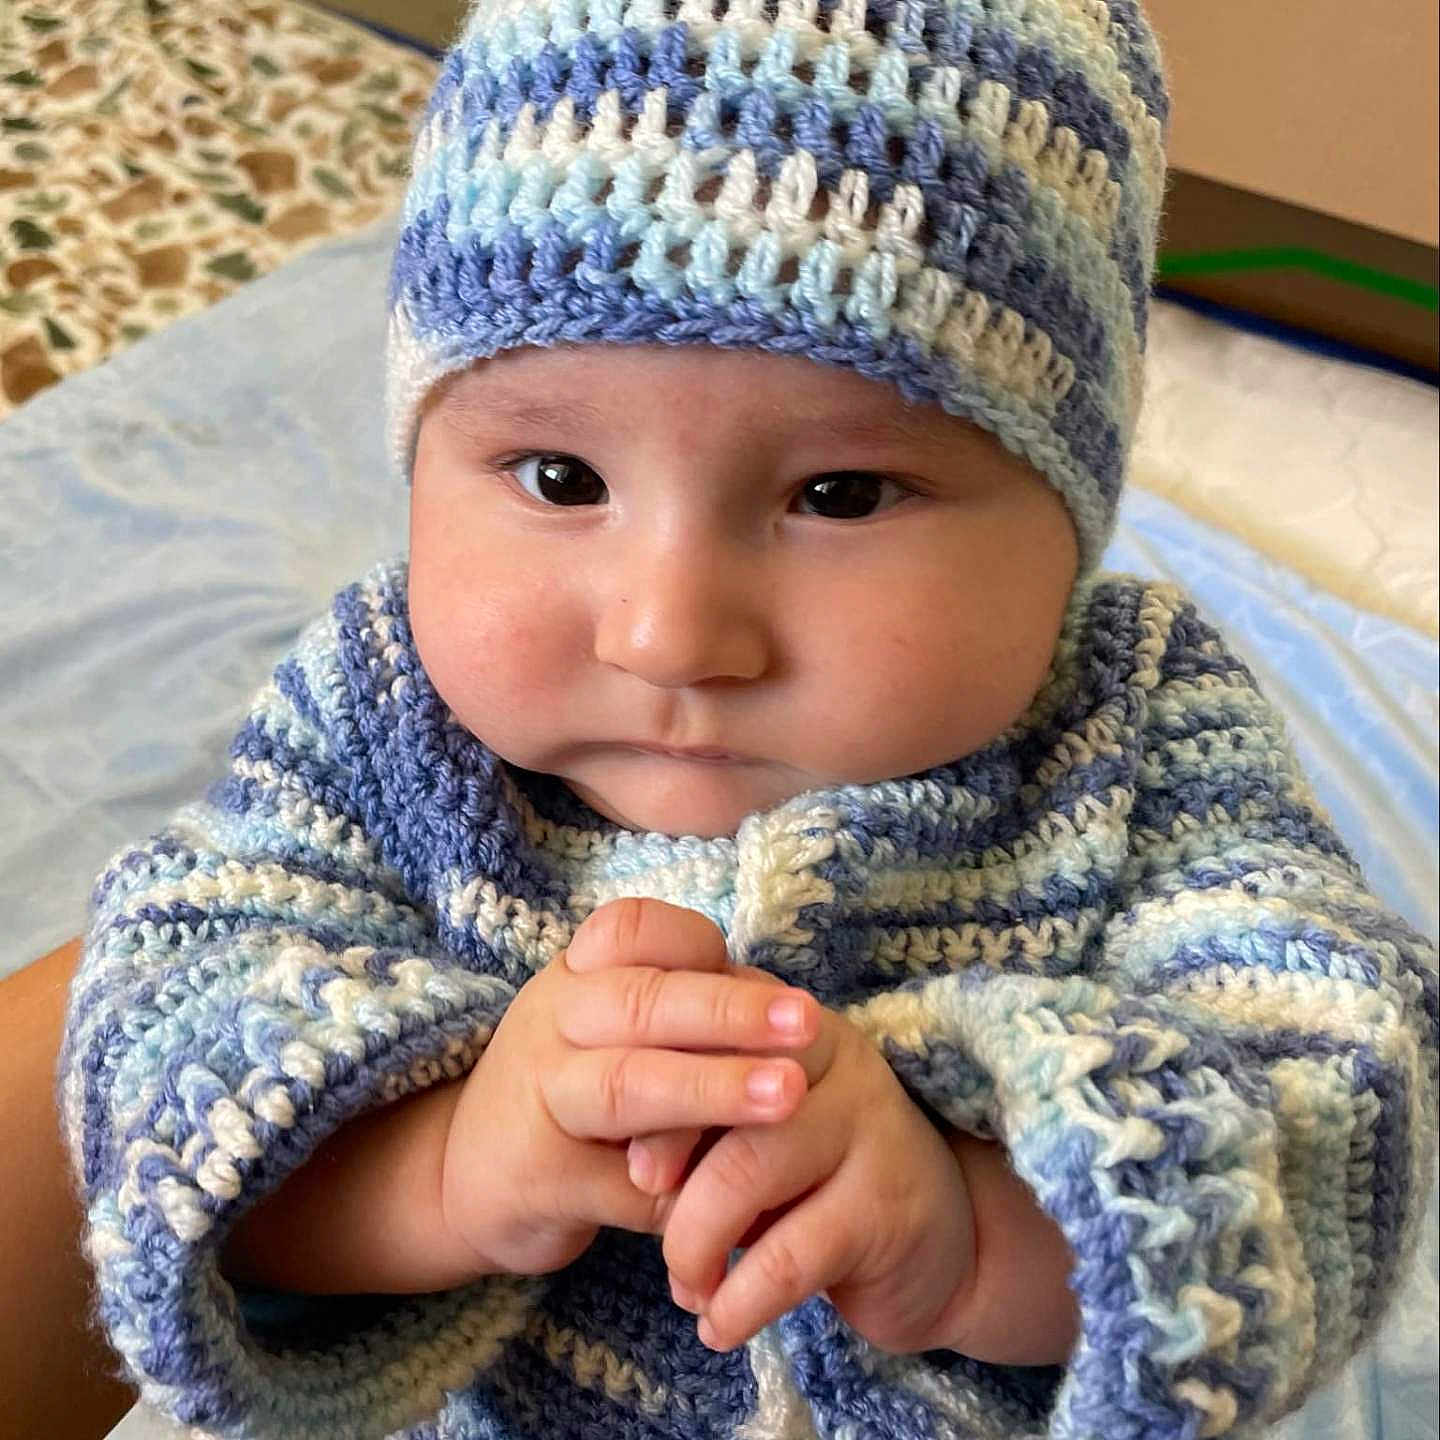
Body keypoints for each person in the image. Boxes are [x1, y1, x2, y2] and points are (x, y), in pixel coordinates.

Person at [59, 1, 1438, 1437]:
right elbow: (166, 1075)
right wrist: (450, 1170)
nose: (668, 634)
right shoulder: (378, 709)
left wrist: (972, 1236)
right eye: (559, 478)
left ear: (1066, 525)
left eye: (839, 495)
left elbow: (1329, 1106)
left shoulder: (1132, 728)